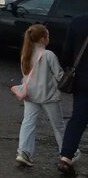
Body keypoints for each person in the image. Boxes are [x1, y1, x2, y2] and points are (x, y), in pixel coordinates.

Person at [15, 24, 65, 167]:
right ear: (43, 39)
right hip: (49, 95)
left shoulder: (26, 54)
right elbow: (59, 75)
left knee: (28, 122)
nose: (49, 38)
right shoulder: (48, 54)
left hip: (30, 95)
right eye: (48, 35)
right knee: (58, 125)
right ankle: (67, 153)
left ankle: (24, 152)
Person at [58, 12, 88, 177]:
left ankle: (66, 158)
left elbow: (67, 53)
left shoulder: (78, 22)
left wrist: (70, 68)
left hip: (82, 80)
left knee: (78, 119)